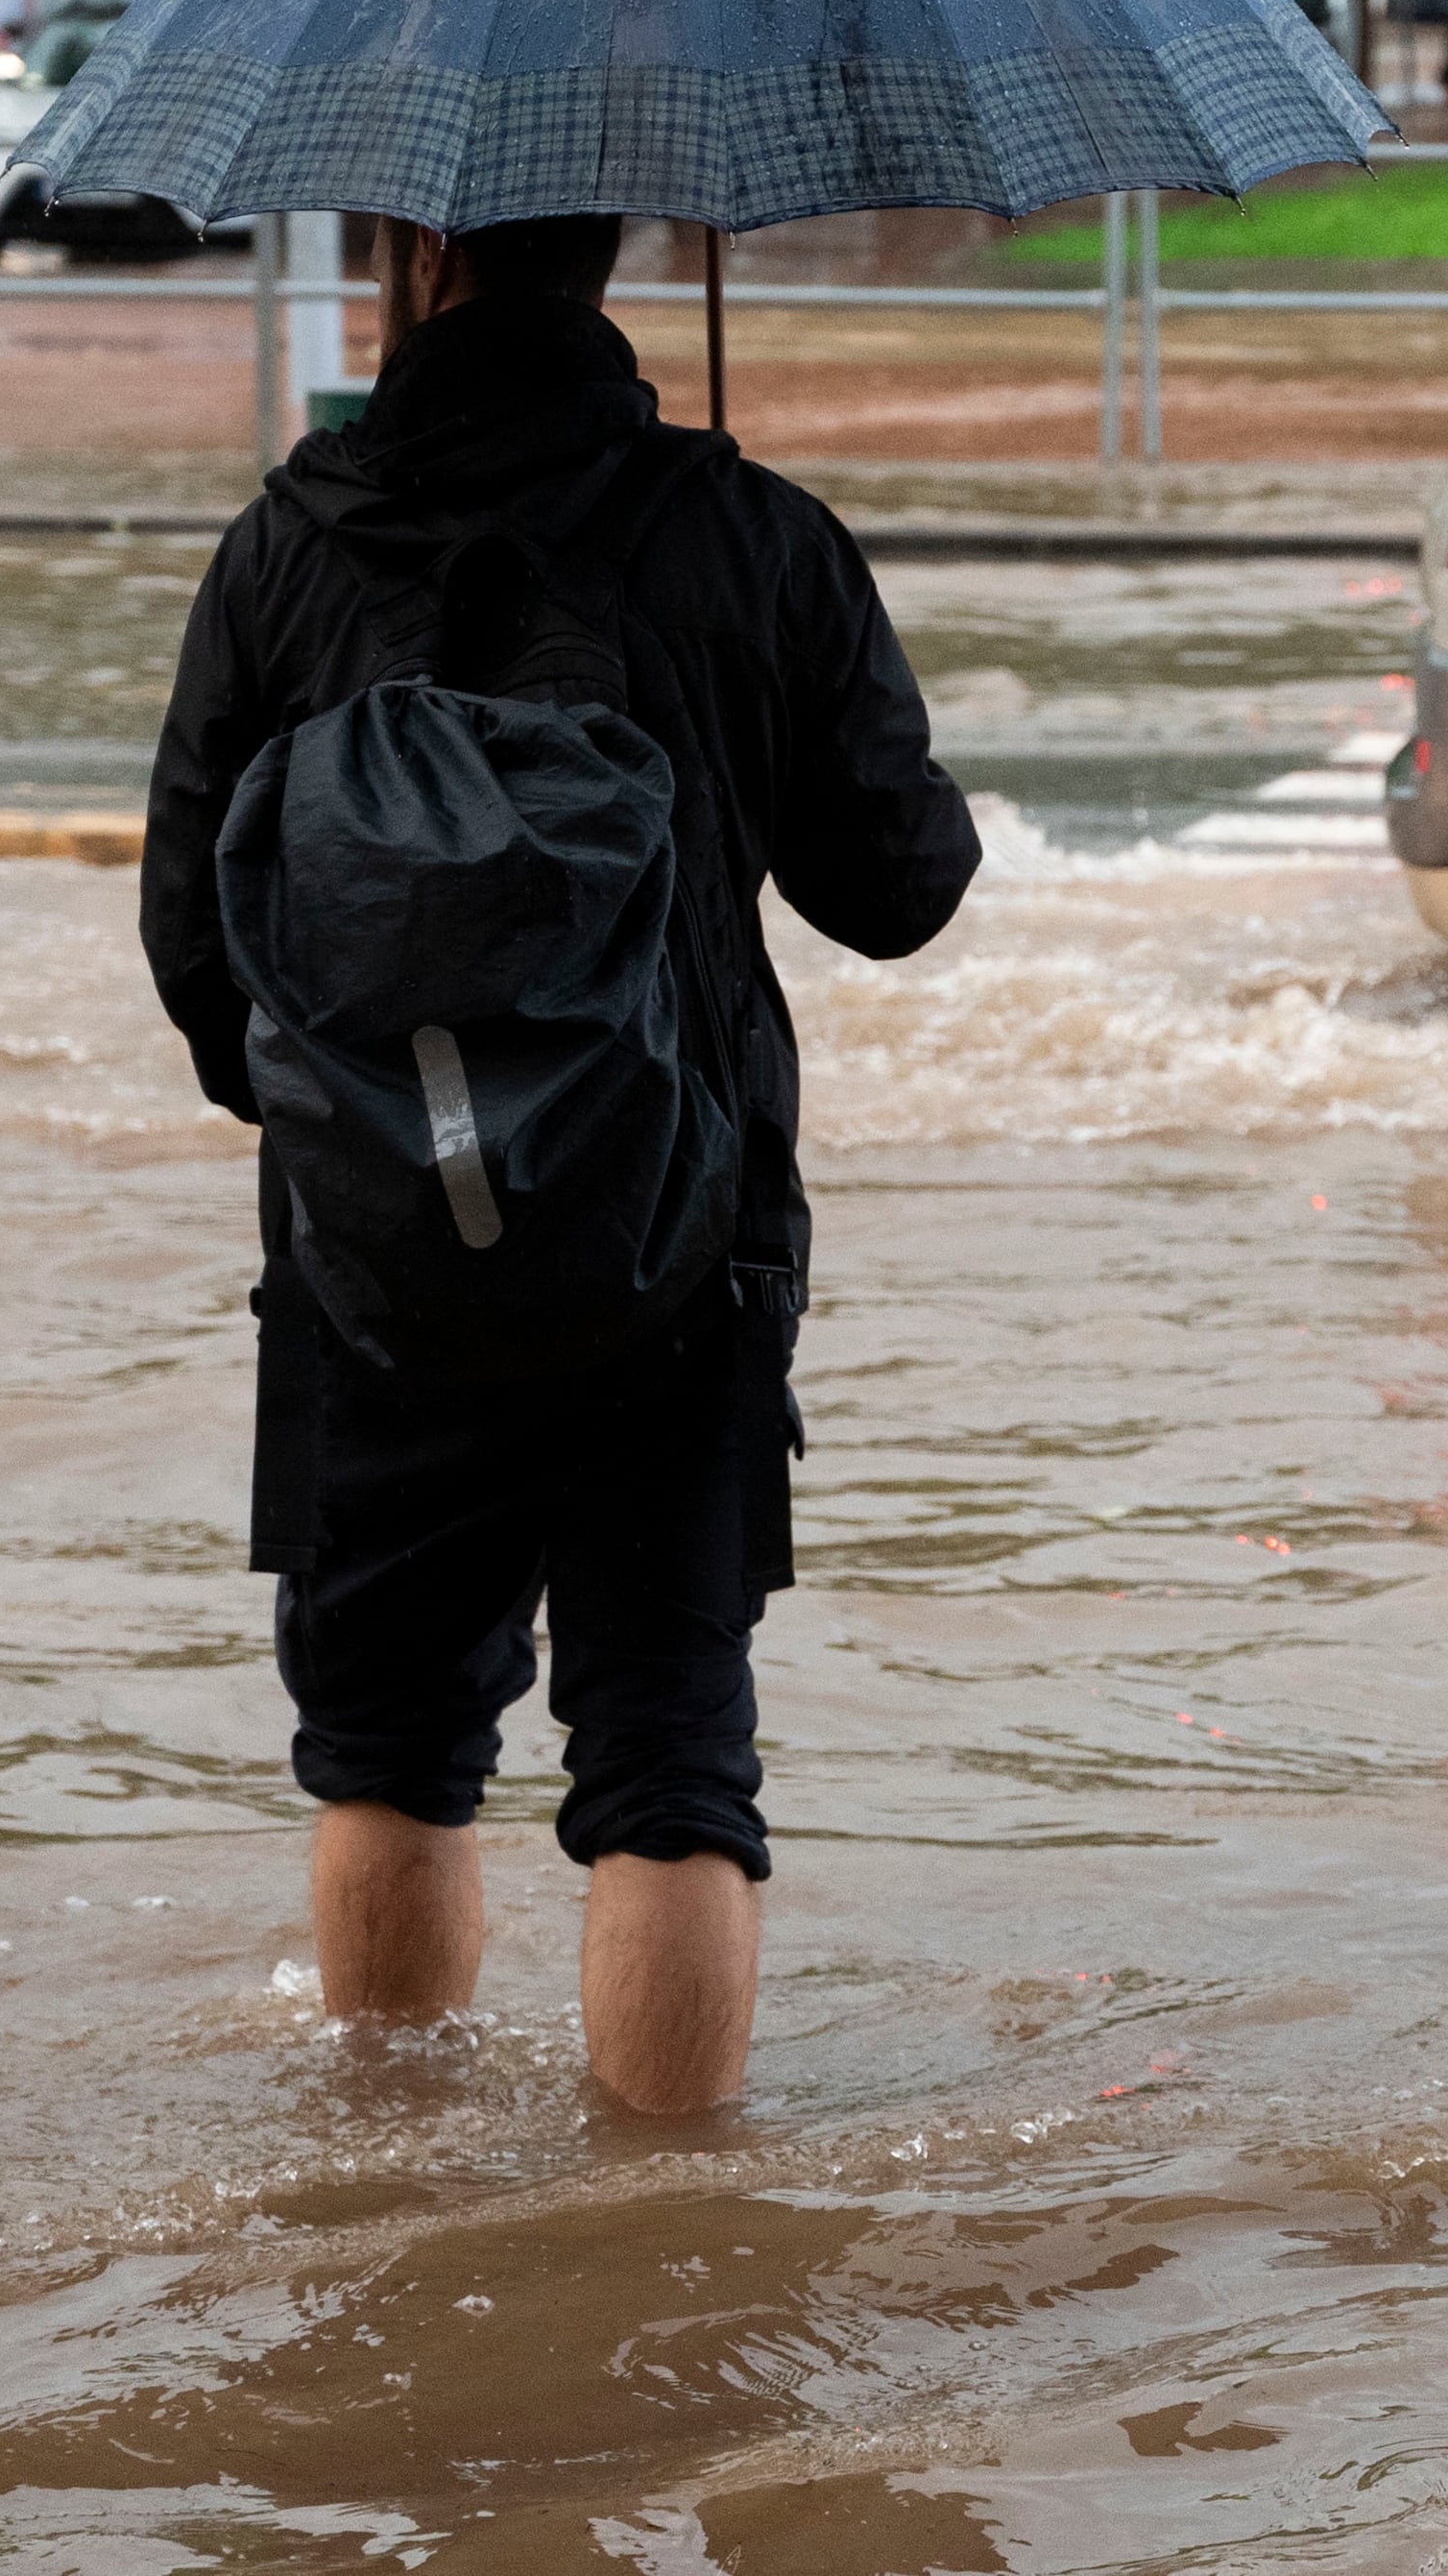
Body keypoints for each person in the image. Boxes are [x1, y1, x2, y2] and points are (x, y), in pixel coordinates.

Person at [141, 210, 978, 2113]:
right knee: (670, 1756)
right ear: (619, 241)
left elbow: (198, 955)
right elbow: (901, 892)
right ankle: (668, 2246)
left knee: (384, 1743)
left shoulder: (287, 549)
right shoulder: (747, 533)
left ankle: (387, 2186)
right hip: (683, 1252)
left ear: (410, 246)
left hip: (366, 1271)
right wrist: (765, 621)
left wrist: (386, 1139)